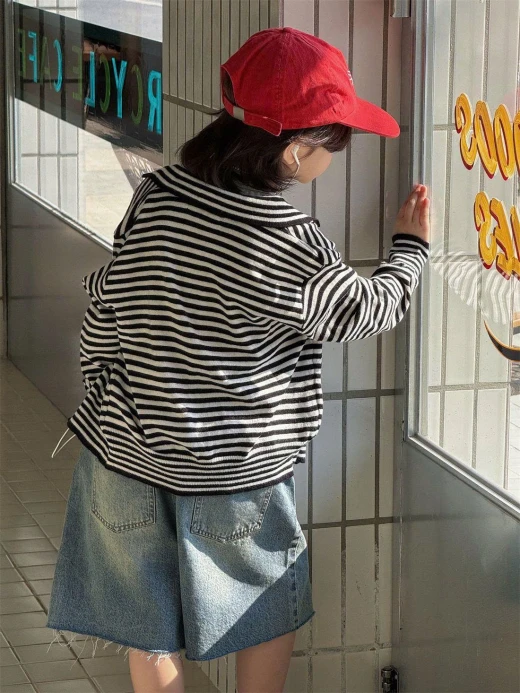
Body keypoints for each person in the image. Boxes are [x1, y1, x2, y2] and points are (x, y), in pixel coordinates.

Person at [46, 27, 430, 693]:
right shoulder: (284, 236)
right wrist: (411, 248)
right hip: (234, 472)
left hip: (125, 454)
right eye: (333, 144)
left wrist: (105, 388)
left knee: (147, 628)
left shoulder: (157, 195)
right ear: (295, 148)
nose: (333, 158)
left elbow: (109, 304)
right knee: (262, 612)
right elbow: (365, 310)